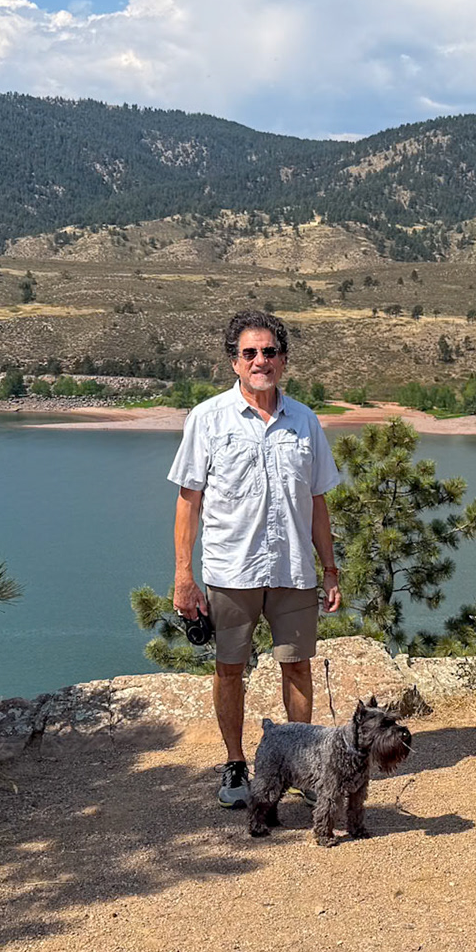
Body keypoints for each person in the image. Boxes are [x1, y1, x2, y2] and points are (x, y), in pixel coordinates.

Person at [168, 310, 342, 807]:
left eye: (269, 352)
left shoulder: (305, 421)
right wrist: (184, 575)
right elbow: (189, 501)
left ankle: (303, 765)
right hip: (231, 569)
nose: (260, 360)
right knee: (228, 669)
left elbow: (317, 501)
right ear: (234, 362)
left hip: (292, 569)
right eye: (250, 353)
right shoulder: (207, 418)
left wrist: (329, 569)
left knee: (298, 667)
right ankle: (235, 766)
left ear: (283, 361)